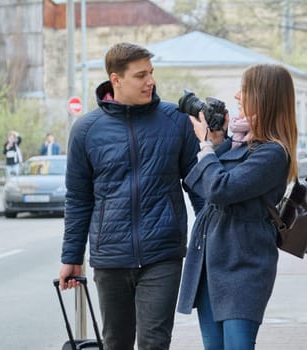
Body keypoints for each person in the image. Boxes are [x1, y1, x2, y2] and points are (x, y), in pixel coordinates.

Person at [58, 42, 204, 350]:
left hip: (163, 253)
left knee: (154, 342)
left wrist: (213, 242)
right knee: (116, 343)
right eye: (140, 75)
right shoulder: (87, 130)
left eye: (151, 73)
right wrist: (72, 256)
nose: (150, 81)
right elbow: (78, 198)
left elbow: (199, 187)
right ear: (116, 79)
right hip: (110, 256)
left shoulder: (175, 120)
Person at [177, 64, 299, 350]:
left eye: (244, 90)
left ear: (263, 96)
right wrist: (218, 142)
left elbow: (221, 189)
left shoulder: (272, 152)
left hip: (244, 262)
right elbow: (199, 184)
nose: (236, 95)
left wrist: (206, 147)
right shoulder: (239, 143)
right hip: (211, 258)